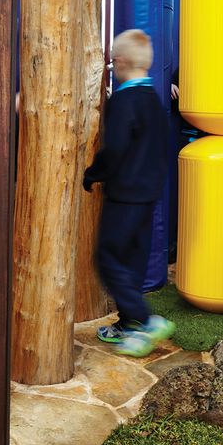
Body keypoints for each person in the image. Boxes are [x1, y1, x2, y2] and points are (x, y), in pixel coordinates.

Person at [83, 29, 177, 357]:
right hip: (148, 194)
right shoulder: (153, 99)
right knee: (132, 260)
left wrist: (93, 173)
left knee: (108, 258)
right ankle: (128, 323)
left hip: (124, 195)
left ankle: (145, 319)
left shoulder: (124, 100)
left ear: (119, 61)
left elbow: (117, 148)